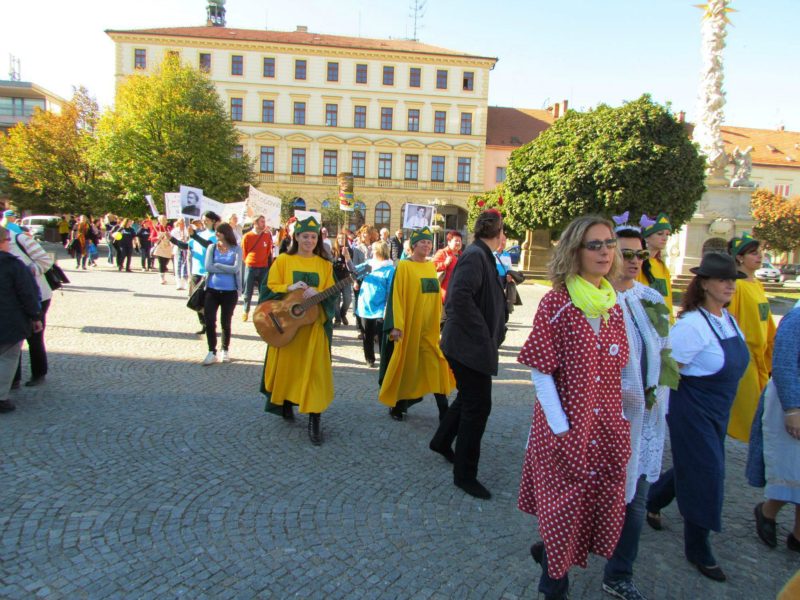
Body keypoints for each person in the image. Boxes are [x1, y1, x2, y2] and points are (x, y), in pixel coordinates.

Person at [517, 215, 629, 600]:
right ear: (574, 251)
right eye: (593, 244)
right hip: (565, 428)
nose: (604, 251)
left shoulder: (613, 306)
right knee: (563, 506)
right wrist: (561, 428)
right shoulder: (558, 302)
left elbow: (618, 371)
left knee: (589, 501)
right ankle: (553, 587)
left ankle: (548, 551)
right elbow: (540, 371)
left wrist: (627, 419)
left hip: (604, 427)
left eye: (609, 243)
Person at [645, 252, 749, 583]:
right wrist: (662, 409)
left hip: (718, 410)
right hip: (692, 413)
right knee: (708, 473)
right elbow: (666, 369)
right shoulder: (693, 326)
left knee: (694, 466)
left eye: (732, 280)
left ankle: (651, 500)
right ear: (704, 284)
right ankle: (698, 546)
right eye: (722, 280)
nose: (729, 285)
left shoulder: (728, 320)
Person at [599, 219, 675, 600]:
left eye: (640, 254)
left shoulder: (652, 300)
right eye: (625, 253)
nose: (633, 261)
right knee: (596, 495)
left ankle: (618, 573)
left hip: (647, 420)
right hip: (608, 421)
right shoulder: (595, 300)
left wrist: (663, 397)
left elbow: (666, 352)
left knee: (636, 501)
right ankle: (554, 551)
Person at [429, 210, 507, 500]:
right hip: (468, 347)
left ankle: (441, 440)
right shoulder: (476, 255)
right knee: (478, 407)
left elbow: (475, 293)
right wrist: (484, 337)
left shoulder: (481, 253)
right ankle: (464, 475)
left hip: (469, 345)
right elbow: (458, 299)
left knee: (467, 398)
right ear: (499, 234)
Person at [258, 216, 336, 445]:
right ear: (296, 237)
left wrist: (320, 295)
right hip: (287, 328)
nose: (309, 240)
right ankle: (287, 403)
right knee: (289, 371)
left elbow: (331, 295)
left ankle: (315, 418)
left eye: (313, 237)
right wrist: (288, 288)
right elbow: (267, 290)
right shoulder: (283, 261)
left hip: (313, 330)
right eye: (305, 236)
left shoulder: (325, 265)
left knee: (315, 374)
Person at [378, 226, 455, 422]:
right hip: (409, 327)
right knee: (407, 366)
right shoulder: (403, 266)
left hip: (429, 329)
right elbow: (397, 296)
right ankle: (398, 404)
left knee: (436, 363)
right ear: (413, 245)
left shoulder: (430, 267)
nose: (427, 245)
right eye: (423, 242)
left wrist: (440, 321)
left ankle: (444, 410)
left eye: (429, 242)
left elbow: (436, 297)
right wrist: (396, 325)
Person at [747, 307, 800, 553]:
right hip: (792, 404)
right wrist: (792, 409)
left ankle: (798, 534)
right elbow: (784, 364)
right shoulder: (797, 317)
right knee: (791, 467)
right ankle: (768, 511)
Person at [726, 232, 776, 442]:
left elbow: (767, 323)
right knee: (747, 416)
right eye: (753, 253)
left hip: (761, 359)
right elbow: (731, 322)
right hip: (746, 359)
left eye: (760, 253)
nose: (759, 257)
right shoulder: (737, 288)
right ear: (739, 257)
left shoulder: (757, 285)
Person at [0, 226, 43, 413]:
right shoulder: (13, 265)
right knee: (7, 358)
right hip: (9, 320)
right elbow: (28, 293)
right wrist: (35, 316)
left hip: (9, 319)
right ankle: (1, 397)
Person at [8, 229, 54, 389]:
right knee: (12, 338)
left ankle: (39, 372)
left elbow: (45, 261)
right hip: (11, 300)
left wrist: (25, 273)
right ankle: (13, 378)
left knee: (34, 336)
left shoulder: (19, 239)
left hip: (37, 295)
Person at [201, 223, 242, 365]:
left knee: (226, 321)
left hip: (230, 291)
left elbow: (235, 269)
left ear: (226, 233)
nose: (216, 234)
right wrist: (224, 268)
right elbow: (207, 266)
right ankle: (211, 350)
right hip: (212, 289)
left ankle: (225, 349)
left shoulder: (236, 249)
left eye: (219, 232)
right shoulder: (212, 248)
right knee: (209, 320)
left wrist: (218, 266)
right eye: (216, 232)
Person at [355, 241, 395, 367]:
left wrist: (386, 310)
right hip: (365, 305)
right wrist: (346, 257)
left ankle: (385, 360)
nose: (371, 252)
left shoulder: (390, 269)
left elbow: (390, 292)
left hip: (380, 307)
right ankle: (369, 359)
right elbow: (354, 271)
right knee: (367, 334)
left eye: (373, 250)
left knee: (383, 337)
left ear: (379, 251)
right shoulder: (369, 265)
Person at [636, 213, 674, 320]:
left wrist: (671, 321)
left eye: (667, 234)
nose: (665, 238)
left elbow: (668, 299)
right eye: (660, 234)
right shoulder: (638, 263)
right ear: (646, 238)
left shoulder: (662, 266)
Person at [241, 215, 273, 322]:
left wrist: (263, 260)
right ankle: (246, 310)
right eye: (261, 221)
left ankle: (260, 312)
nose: (264, 223)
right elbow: (243, 252)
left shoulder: (267, 235)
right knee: (248, 290)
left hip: (263, 267)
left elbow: (268, 250)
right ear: (255, 223)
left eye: (264, 221)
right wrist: (249, 261)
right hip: (250, 266)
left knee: (262, 291)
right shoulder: (247, 236)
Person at [432, 230, 463, 304]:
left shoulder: (463, 255)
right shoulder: (442, 253)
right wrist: (445, 263)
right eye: (456, 240)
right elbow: (432, 266)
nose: (458, 243)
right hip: (446, 294)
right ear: (449, 242)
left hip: (459, 294)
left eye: (460, 241)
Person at [331, 232, 354, 326]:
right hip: (335, 278)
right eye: (339, 238)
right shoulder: (333, 250)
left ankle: (342, 313)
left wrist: (346, 255)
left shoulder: (350, 250)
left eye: (343, 238)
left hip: (346, 278)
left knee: (348, 299)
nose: (341, 240)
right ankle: (337, 319)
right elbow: (331, 263)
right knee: (336, 300)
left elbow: (351, 264)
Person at [152, 215, 173, 284]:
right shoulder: (156, 228)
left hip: (168, 247)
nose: (164, 221)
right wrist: (157, 237)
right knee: (161, 262)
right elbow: (151, 238)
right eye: (162, 220)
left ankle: (163, 271)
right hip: (160, 247)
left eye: (165, 220)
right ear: (159, 221)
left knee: (166, 262)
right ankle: (162, 277)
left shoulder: (169, 228)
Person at [171, 218, 190, 290]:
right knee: (177, 266)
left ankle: (185, 282)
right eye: (181, 223)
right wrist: (180, 239)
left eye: (183, 223)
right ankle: (178, 283)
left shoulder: (187, 230)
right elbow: (172, 241)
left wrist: (186, 239)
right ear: (178, 223)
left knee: (185, 265)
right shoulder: (174, 231)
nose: (182, 224)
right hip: (177, 249)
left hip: (185, 249)